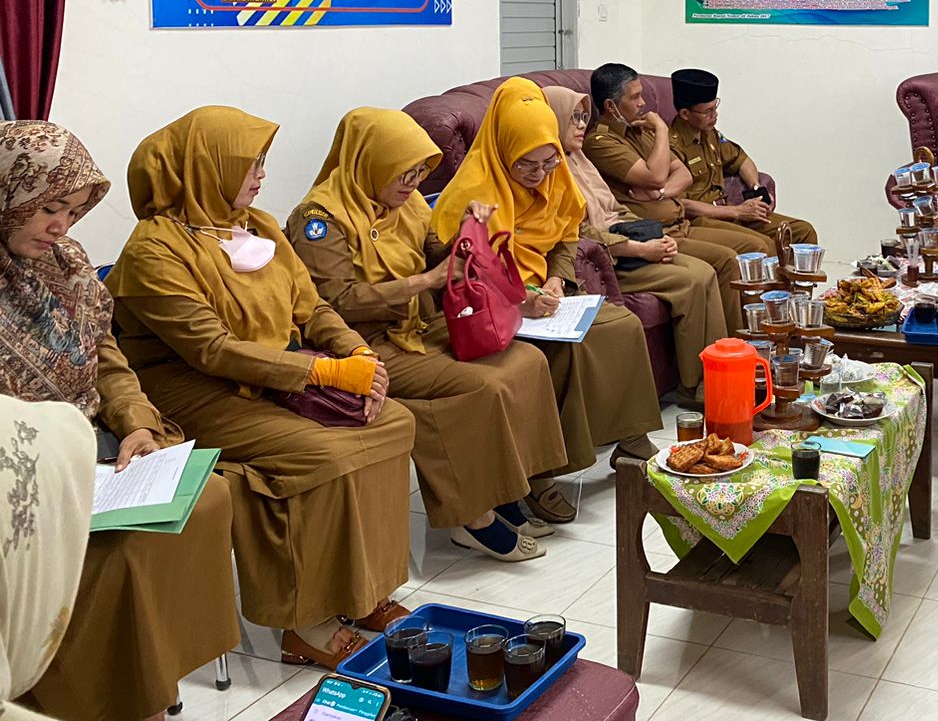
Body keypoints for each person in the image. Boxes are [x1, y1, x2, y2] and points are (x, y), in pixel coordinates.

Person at [107, 107, 415, 671]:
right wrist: (321, 373)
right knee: (324, 453)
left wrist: (358, 353)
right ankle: (307, 621)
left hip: (276, 374)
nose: (261, 176)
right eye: (250, 164)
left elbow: (312, 306)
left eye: (263, 163)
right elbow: (211, 351)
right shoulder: (154, 251)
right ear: (204, 169)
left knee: (393, 421)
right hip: (193, 390)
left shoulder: (260, 226)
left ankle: (364, 591)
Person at [0, 122, 239, 721]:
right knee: (122, 551)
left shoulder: (68, 263)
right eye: (48, 208)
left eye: (74, 212)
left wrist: (136, 424)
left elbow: (105, 357)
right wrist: (57, 459)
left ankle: (148, 680)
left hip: (91, 441)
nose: (61, 227)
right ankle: (104, 697)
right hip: (18, 468)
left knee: (206, 498)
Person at [287, 107, 572, 561]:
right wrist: (423, 282)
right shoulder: (319, 219)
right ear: (369, 162)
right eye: (403, 172)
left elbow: (440, 255)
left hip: (421, 323)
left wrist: (468, 229)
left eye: (420, 171)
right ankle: (471, 517)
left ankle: (507, 491)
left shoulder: (409, 202)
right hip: (366, 342)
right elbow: (334, 303)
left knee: (528, 362)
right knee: (482, 385)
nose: (413, 181)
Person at [433, 77, 662, 469]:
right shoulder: (474, 191)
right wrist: (522, 300)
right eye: (527, 163)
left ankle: (632, 438)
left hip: (547, 292)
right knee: (563, 351)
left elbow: (567, 234)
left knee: (621, 325)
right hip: (491, 302)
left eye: (549, 161)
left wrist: (556, 278)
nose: (541, 174)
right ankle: (549, 471)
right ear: (504, 150)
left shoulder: (556, 177)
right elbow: (464, 266)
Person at [546, 87, 730, 395]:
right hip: (610, 258)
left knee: (706, 272)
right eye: (572, 118)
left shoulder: (578, 157)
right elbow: (578, 232)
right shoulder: (549, 167)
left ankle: (718, 375)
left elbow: (616, 208)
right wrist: (641, 249)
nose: (581, 124)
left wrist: (654, 236)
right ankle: (694, 387)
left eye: (583, 116)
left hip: (630, 240)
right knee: (690, 282)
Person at [585, 64, 768, 259]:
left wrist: (661, 194)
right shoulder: (600, 142)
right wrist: (661, 130)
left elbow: (684, 174)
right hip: (655, 231)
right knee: (731, 257)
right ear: (610, 106)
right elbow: (655, 177)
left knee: (757, 245)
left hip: (680, 223)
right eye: (634, 97)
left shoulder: (641, 130)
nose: (642, 103)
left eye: (641, 95)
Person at [0, 393, 96, 721]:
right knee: (124, 555)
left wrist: (140, 423)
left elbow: (111, 368)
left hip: (82, 434)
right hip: (59, 437)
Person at [666, 68, 819, 256]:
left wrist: (755, 190)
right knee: (764, 246)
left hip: (729, 210)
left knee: (803, 232)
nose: (715, 115)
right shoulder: (671, 146)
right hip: (703, 219)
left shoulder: (710, 133)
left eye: (716, 107)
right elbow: (681, 204)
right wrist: (737, 212)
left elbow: (742, 160)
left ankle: (797, 286)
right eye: (707, 111)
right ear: (684, 114)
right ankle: (773, 286)